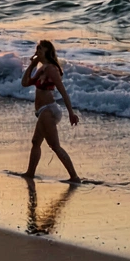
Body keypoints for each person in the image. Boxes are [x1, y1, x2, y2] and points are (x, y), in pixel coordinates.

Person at [20, 40, 81, 183]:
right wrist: (32, 64)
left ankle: (74, 176)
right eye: (37, 48)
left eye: (40, 48)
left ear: (48, 51)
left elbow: (63, 92)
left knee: (54, 146)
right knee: (36, 142)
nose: (37, 50)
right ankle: (30, 173)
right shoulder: (42, 68)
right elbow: (24, 83)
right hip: (42, 111)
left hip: (49, 110)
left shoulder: (51, 69)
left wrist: (71, 114)